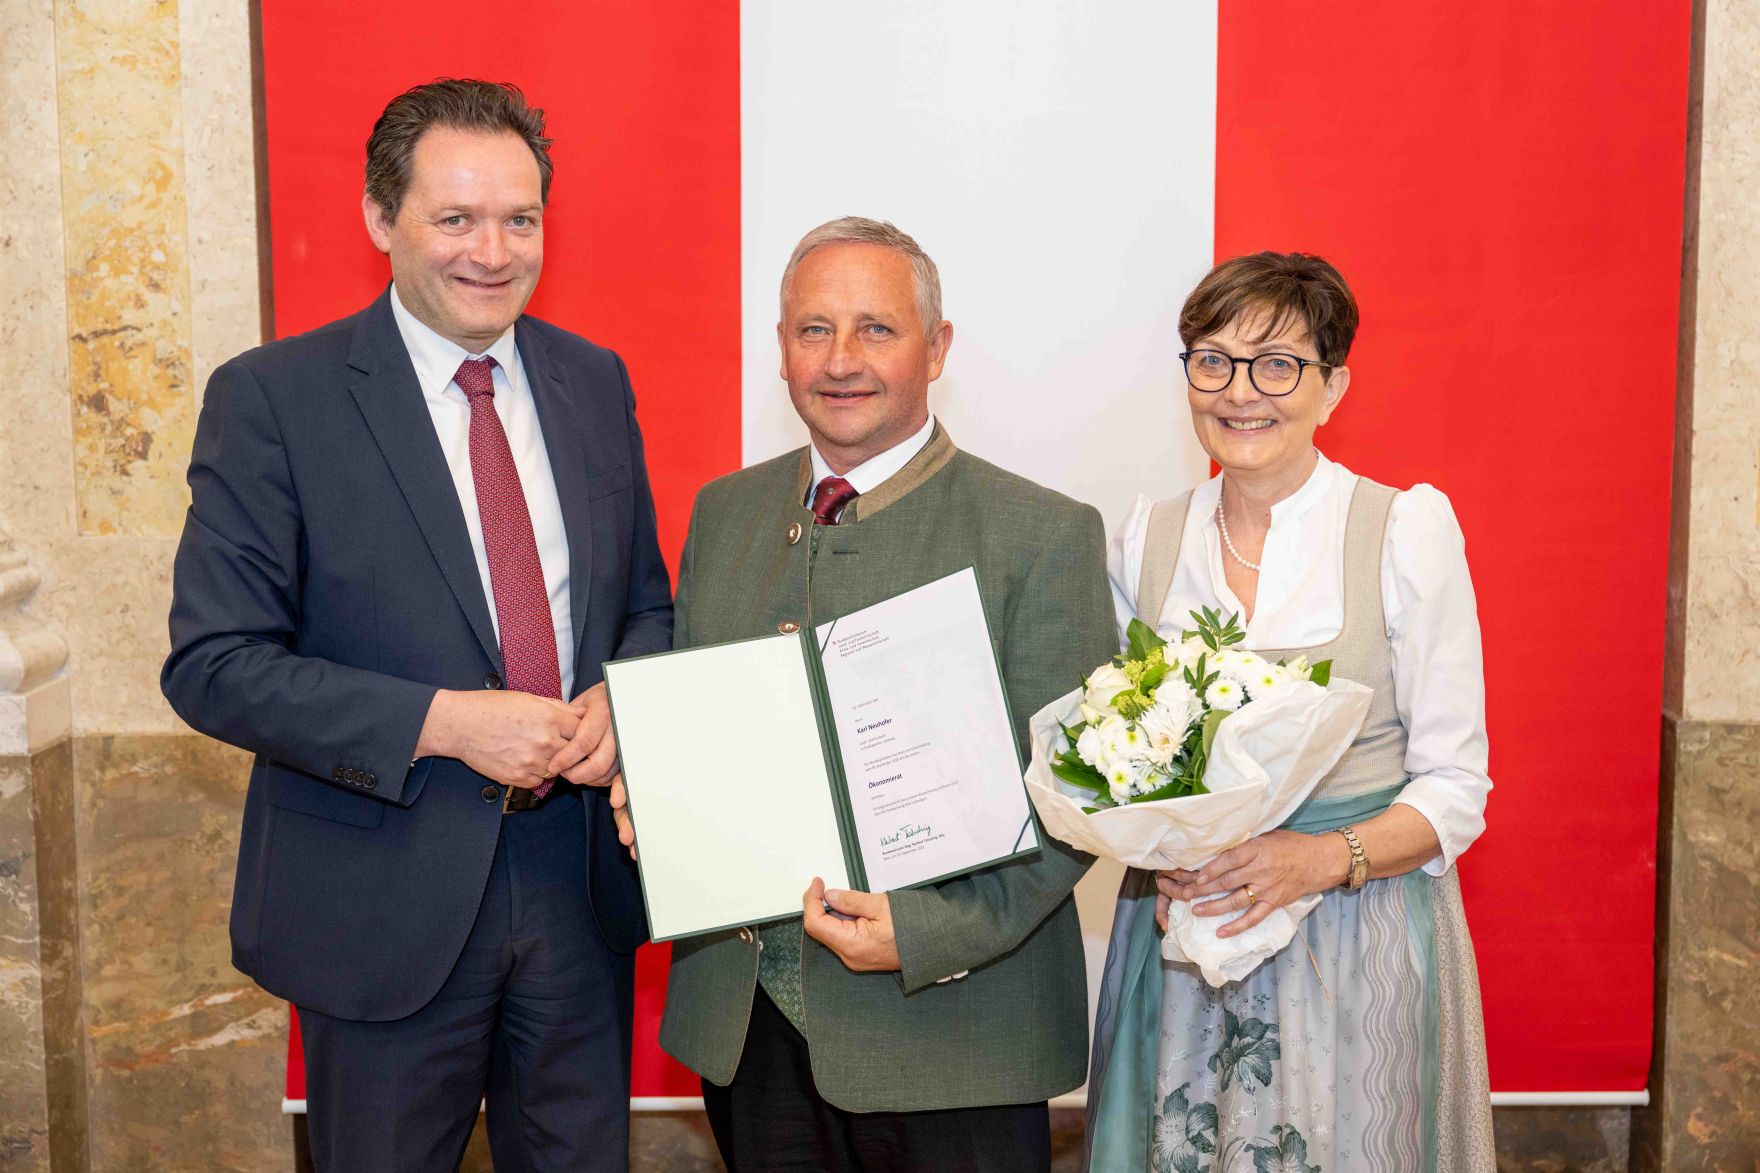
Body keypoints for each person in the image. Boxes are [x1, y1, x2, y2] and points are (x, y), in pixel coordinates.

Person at [161, 79, 671, 1172]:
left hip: (581, 896)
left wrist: (623, 708)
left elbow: (642, 609)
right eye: (455, 218)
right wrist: (441, 722)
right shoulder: (274, 400)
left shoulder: (593, 381)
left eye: (520, 219)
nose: (492, 250)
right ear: (379, 219)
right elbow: (213, 665)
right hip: (379, 909)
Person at [628, 216, 1115, 1172]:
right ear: (779, 351)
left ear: (936, 348)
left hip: (955, 1036)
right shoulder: (723, 513)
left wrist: (929, 932)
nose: (841, 359)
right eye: (813, 329)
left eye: (876, 329)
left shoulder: (1041, 533)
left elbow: (1079, 799)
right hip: (749, 1035)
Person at [1084, 252, 1495, 1171]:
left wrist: (1316, 860)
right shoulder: (1144, 538)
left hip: (1353, 939)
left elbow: (1457, 786)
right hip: (1183, 945)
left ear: (1333, 385)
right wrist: (1161, 844)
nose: (1242, 392)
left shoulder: (1402, 530)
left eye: (1278, 364)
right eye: (1214, 360)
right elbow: (1114, 750)